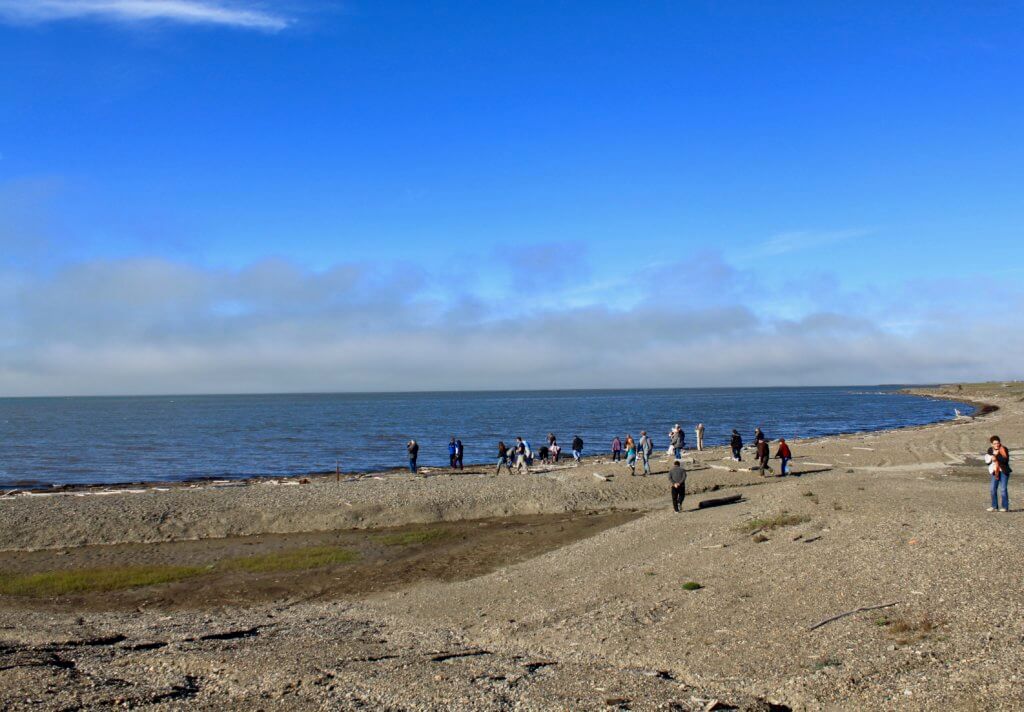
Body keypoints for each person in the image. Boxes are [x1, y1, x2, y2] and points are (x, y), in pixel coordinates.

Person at [985, 435, 1011, 512]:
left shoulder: (1004, 449)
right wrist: (993, 455)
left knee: (1003, 489)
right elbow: (988, 459)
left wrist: (996, 456)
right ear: (991, 444)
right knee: (992, 489)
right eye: (994, 443)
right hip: (995, 471)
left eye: (998, 443)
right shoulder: (990, 450)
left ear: (1000, 443)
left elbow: (1005, 460)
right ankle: (994, 506)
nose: (996, 445)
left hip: (1004, 471)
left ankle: (1005, 507)